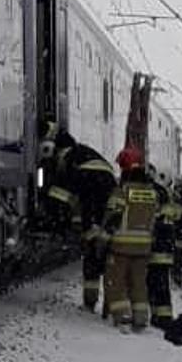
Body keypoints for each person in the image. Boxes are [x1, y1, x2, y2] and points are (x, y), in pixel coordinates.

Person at [41, 124, 117, 312]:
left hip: (92, 198)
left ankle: (90, 302)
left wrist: (52, 218)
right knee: (106, 255)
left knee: (91, 252)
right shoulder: (85, 152)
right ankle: (110, 304)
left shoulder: (69, 159)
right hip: (107, 196)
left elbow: (63, 194)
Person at [100, 148, 159, 332]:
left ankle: (123, 316)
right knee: (139, 283)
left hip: (121, 246)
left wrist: (103, 239)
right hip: (143, 248)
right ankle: (141, 317)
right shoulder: (152, 194)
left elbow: (112, 217)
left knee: (117, 282)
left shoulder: (122, 191)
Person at [145, 169, 181, 327]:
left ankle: (155, 315)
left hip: (154, 246)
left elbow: (150, 218)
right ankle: (164, 317)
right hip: (167, 247)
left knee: (152, 282)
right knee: (162, 284)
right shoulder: (171, 196)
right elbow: (176, 218)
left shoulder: (155, 192)